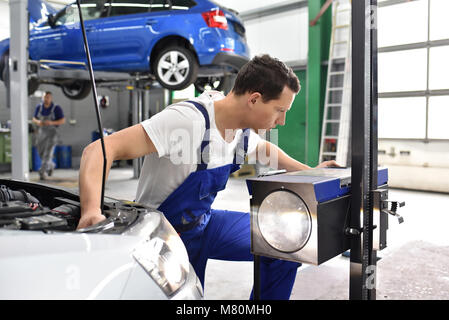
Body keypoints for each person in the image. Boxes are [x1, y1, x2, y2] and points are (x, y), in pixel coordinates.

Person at [77, 54, 339, 299]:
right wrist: (91, 210)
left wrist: (311, 171)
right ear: (254, 99)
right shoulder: (187, 122)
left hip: (204, 224)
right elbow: (100, 149)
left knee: (284, 243)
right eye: (280, 110)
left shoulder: (241, 131)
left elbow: (263, 148)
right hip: (162, 235)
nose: (281, 121)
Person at [32, 91, 65, 180]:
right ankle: (51, 165)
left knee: (47, 153)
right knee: (41, 153)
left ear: (51, 98)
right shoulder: (39, 107)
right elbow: (34, 118)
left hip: (52, 133)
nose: (46, 99)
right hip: (41, 132)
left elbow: (62, 120)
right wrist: (39, 122)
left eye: (48, 97)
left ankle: (42, 172)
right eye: (45, 97)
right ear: (43, 98)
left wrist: (51, 122)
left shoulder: (56, 108)